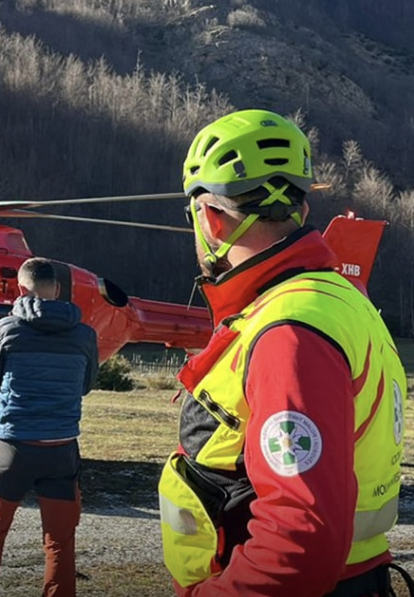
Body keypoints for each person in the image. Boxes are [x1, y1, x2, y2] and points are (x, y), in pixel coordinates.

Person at [158, 109, 410, 597]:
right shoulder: (339, 301)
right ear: (301, 211)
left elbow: (298, 544)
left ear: (208, 219)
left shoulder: (287, 333)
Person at [0, 257, 99, 597]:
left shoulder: (6, 329)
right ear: (59, 289)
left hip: (12, 447)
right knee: (60, 539)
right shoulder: (84, 334)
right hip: (62, 448)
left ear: (21, 289)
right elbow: (86, 384)